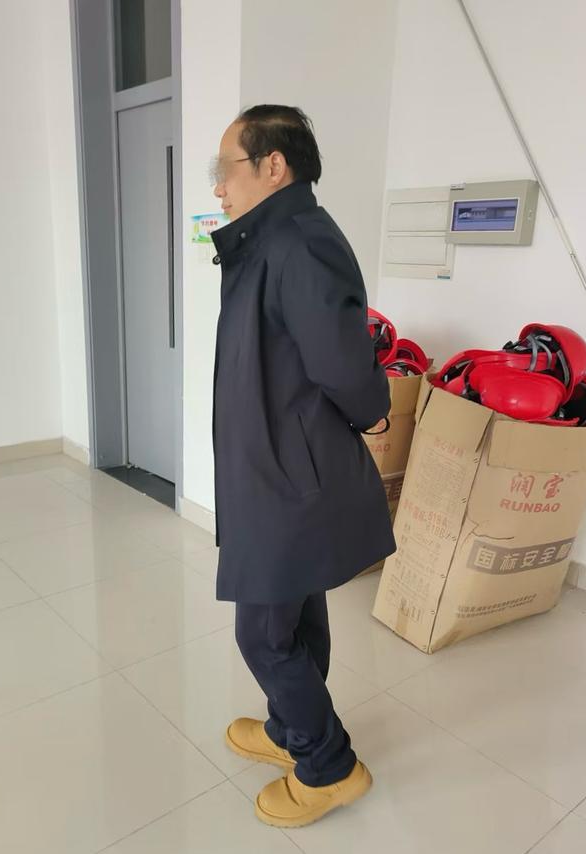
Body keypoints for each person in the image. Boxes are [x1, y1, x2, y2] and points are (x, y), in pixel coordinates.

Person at [209, 104, 395, 827]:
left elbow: (343, 363)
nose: (219, 187)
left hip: (290, 475)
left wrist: (373, 410)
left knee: (262, 632)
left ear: (273, 165)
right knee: (296, 610)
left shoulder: (298, 244)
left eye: (226, 168)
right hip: (274, 462)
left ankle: (329, 766)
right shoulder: (270, 240)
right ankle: (291, 728)